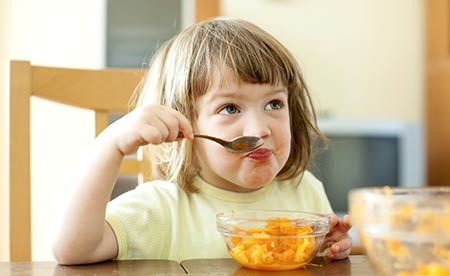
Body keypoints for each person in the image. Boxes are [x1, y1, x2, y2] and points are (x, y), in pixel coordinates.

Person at [52, 17, 352, 265]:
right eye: (230, 108)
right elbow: (74, 250)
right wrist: (110, 145)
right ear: (183, 125)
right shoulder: (163, 208)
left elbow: (322, 261)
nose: (260, 129)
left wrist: (335, 248)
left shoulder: (304, 190)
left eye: (274, 104)